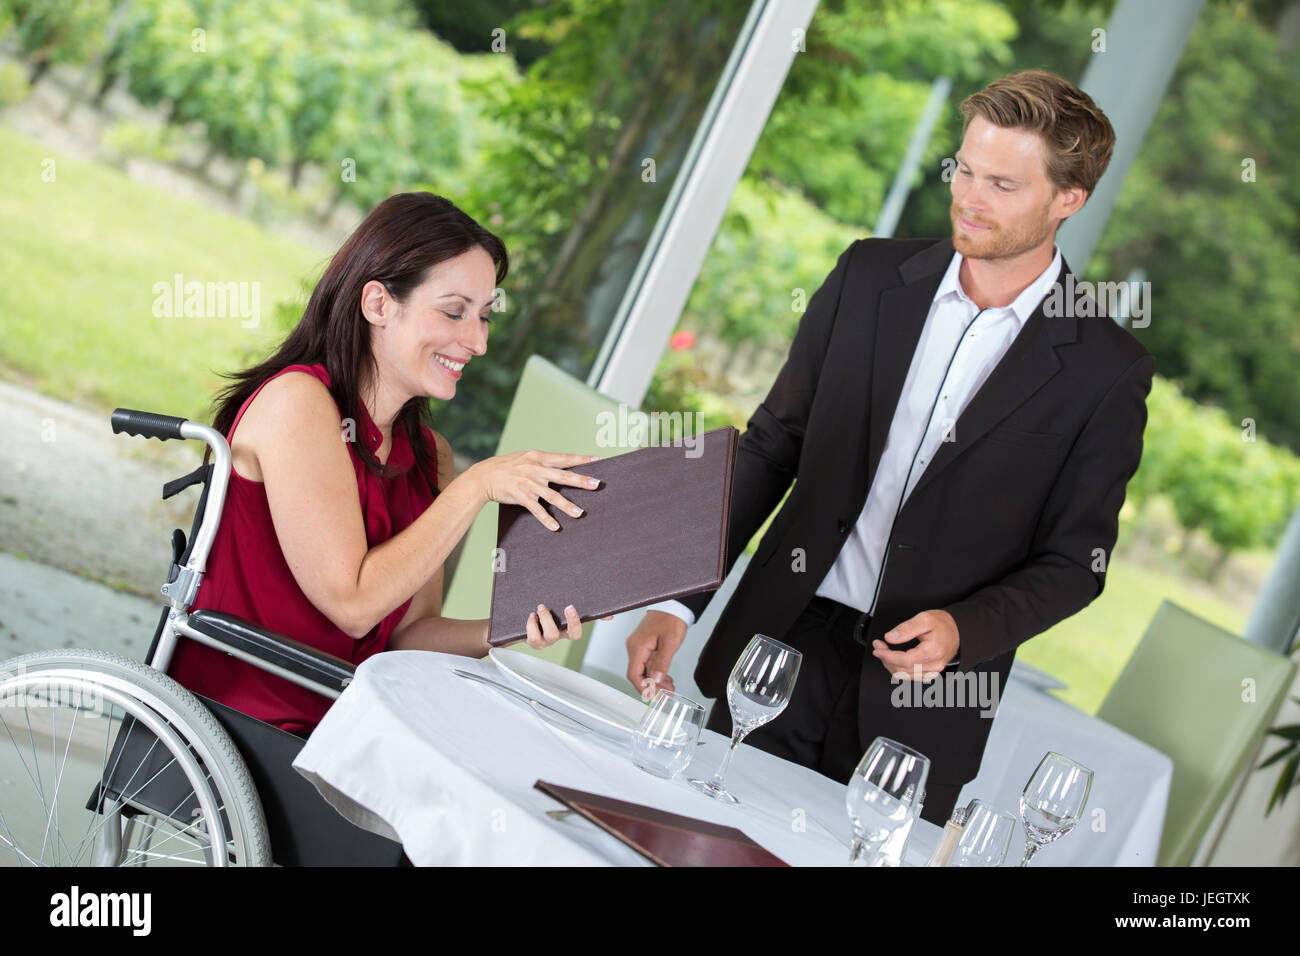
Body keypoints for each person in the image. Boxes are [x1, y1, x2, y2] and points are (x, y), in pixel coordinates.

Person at [626, 69, 1155, 826]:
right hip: (782, 642)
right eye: (965, 170)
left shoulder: (1107, 368)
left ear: (1069, 199)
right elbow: (773, 446)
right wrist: (680, 597)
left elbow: (1078, 563)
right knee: (699, 836)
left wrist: (967, 629)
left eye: (1002, 184)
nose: (969, 197)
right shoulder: (868, 277)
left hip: (927, 698)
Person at [168, 192, 605, 736]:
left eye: (485, 316)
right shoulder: (299, 404)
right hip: (250, 721)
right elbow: (351, 605)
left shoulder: (426, 454)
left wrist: (514, 623)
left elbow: (407, 636)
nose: (478, 341)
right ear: (377, 304)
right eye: (454, 311)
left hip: (345, 721)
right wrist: (475, 488)